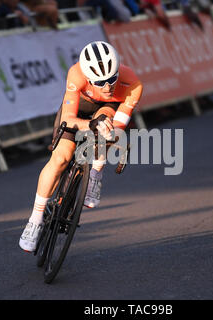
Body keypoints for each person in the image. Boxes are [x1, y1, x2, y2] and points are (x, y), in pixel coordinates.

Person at [19, 41, 143, 252]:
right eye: (100, 81)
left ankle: (95, 174)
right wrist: (88, 124)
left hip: (107, 109)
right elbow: (69, 118)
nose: (107, 86)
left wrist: (103, 136)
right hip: (79, 109)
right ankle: (35, 220)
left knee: (107, 129)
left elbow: (118, 128)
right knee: (61, 158)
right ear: (88, 77)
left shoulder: (132, 84)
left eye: (112, 79)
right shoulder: (76, 74)